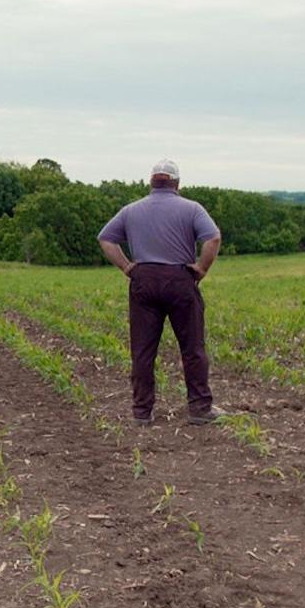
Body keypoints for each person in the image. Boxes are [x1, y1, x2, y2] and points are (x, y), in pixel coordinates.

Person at [96, 159, 225, 426]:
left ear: (151, 181)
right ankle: (200, 409)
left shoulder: (131, 210)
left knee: (143, 350)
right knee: (192, 348)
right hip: (180, 280)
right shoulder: (192, 209)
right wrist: (201, 268)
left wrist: (127, 267)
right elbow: (212, 238)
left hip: (143, 279)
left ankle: (142, 412)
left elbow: (105, 238)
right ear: (177, 183)